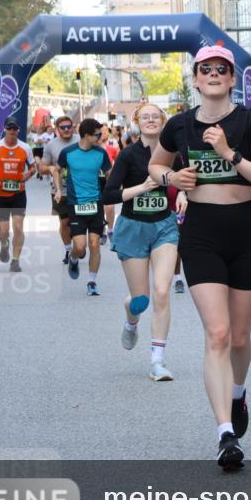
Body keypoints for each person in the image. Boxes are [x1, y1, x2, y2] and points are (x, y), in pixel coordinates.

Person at [148, 44, 251, 471]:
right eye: (206, 69)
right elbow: (155, 167)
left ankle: (238, 393)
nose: (214, 74)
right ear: (195, 78)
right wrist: (171, 177)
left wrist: (229, 154)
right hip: (202, 233)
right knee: (218, 334)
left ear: (231, 78)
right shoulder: (180, 124)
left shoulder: (249, 120)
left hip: (246, 230)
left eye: (221, 69)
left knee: (241, 338)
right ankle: (225, 432)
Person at [103, 104, 182, 382]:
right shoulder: (128, 155)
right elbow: (108, 195)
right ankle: (130, 317)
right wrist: (142, 188)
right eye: (145, 117)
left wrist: (183, 193)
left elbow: (187, 180)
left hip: (164, 228)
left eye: (155, 116)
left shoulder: (174, 153)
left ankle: (157, 362)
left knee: (162, 292)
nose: (151, 120)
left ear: (163, 121)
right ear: (137, 122)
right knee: (141, 300)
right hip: (133, 227)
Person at [58, 118, 113, 295]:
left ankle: (92, 281)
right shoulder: (68, 153)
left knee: (95, 244)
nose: (100, 136)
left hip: (96, 203)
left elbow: (109, 174)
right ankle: (73, 258)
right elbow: (56, 170)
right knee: (80, 247)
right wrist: (59, 189)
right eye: (97, 134)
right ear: (87, 135)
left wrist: (115, 190)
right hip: (76, 205)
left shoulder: (101, 153)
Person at [0, 117, 36, 272]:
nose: (12, 132)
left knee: (18, 227)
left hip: (18, 193)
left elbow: (33, 167)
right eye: (9, 129)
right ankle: (4, 244)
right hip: (0, 194)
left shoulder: (25, 148)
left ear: (18, 130)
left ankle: (15, 260)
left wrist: (29, 173)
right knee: (4, 231)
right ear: (5, 129)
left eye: (15, 129)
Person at [41, 116, 77, 264]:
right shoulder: (51, 145)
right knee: (64, 223)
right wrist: (49, 168)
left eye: (69, 126)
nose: (67, 129)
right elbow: (42, 167)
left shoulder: (81, 141)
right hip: (59, 190)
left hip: (81, 189)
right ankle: (68, 250)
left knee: (78, 222)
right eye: (63, 127)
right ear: (57, 129)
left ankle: (79, 245)